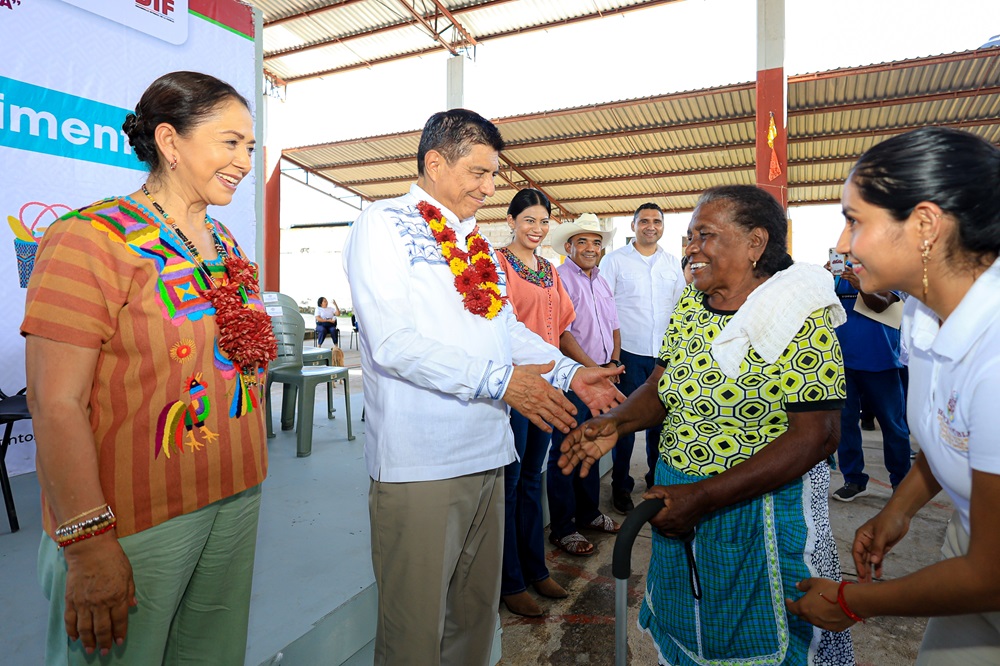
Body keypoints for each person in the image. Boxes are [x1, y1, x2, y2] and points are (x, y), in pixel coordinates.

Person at [342, 109, 623, 665]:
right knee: (413, 631)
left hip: (489, 455)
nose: (490, 188)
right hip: (422, 464)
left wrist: (568, 372)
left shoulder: (475, 243)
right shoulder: (382, 224)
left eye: (493, 174)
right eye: (479, 172)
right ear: (434, 163)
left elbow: (505, 329)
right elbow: (391, 342)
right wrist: (501, 381)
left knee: (473, 620)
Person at [22, 71, 274, 663]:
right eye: (230, 143)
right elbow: (55, 403)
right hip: (136, 519)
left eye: (249, 147)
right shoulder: (89, 239)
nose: (244, 162)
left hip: (236, 494)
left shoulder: (225, 242)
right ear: (169, 140)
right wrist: (87, 543)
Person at [560, 185, 855, 665]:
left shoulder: (797, 314)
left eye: (705, 235)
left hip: (757, 511)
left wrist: (703, 497)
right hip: (677, 495)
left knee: (763, 635)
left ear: (755, 242)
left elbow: (816, 435)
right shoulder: (692, 305)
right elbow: (661, 385)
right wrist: (615, 422)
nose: (691, 248)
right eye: (690, 237)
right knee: (688, 623)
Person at [786, 127, 1000, 664]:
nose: (843, 245)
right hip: (970, 548)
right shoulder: (927, 315)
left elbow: (991, 575)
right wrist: (898, 509)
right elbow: (954, 437)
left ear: (925, 224)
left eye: (855, 221)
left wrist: (852, 601)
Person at [494, 188, 575, 617]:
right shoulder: (496, 264)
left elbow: (560, 329)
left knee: (531, 480)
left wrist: (579, 372)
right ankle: (510, 581)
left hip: (547, 388)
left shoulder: (549, 269)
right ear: (511, 221)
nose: (537, 229)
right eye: (529, 220)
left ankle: (536, 569)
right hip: (515, 389)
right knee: (509, 484)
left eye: (544, 221)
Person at [599, 202, 686, 512]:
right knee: (625, 421)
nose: (651, 226)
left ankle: (655, 481)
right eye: (645, 221)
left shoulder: (672, 263)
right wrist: (611, 356)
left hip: (664, 356)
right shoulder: (614, 261)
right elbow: (604, 308)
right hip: (629, 354)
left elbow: (680, 309)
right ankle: (620, 485)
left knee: (660, 422)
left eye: (657, 221)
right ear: (633, 225)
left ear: (662, 227)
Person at [544, 213, 622, 556]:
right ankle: (563, 528)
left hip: (601, 375)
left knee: (591, 444)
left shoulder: (601, 281)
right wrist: (595, 370)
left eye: (596, 242)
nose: (591, 248)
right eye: (583, 241)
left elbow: (614, 326)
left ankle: (588, 513)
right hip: (573, 379)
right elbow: (563, 335)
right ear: (569, 247)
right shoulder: (559, 279)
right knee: (566, 450)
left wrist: (613, 363)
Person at [828, 262, 911, 500]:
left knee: (893, 426)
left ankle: (901, 482)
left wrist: (861, 286)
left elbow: (881, 304)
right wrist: (824, 279)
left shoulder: (887, 271)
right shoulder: (838, 276)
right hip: (843, 363)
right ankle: (853, 480)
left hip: (881, 363)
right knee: (846, 424)